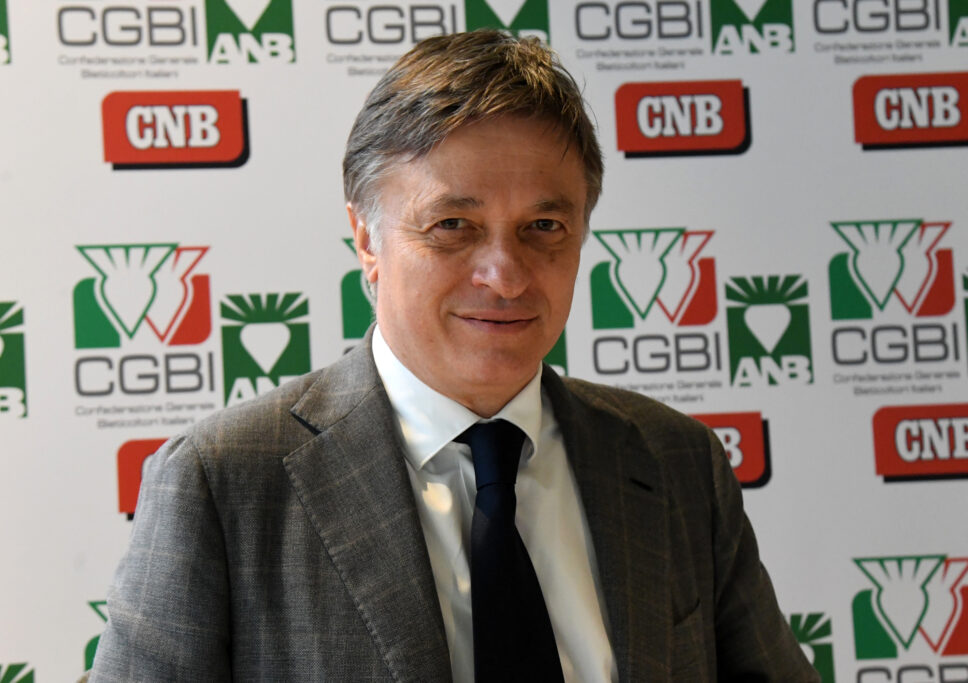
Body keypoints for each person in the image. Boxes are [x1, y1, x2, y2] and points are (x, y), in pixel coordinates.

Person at [88, 30, 818, 682]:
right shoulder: (223, 481)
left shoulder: (676, 462)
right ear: (367, 239)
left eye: (543, 225)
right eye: (452, 225)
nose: (505, 275)